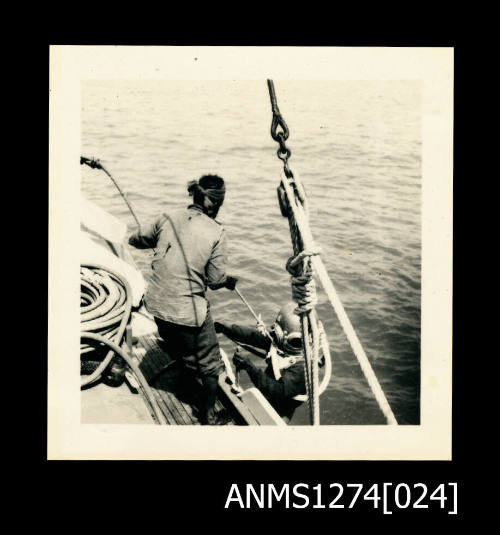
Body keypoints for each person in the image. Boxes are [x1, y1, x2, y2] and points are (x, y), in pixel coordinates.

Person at [128, 174, 238, 425]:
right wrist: (229, 281)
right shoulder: (218, 232)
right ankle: (208, 415)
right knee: (211, 365)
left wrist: (158, 242)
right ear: (216, 204)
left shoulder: (166, 217)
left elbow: (135, 239)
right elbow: (215, 280)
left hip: (155, 306)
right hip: (185, 314)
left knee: (181, 343)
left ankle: (185, 371)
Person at [214, 301, 307, 422]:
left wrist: (249, 367)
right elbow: (252, 336)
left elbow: (278, 391)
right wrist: (226, 329)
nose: (295, 346)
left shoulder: (302, 367)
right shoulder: (279, 343)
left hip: (280, 410)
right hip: (267, 393)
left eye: (297, 342)